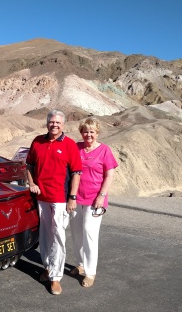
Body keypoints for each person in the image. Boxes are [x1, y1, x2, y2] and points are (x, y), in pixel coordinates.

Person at [26, 109, 82, 295]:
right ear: (47, 123)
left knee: (58, 235)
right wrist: (32, 183)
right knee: (45, 235)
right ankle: (48, 267)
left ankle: (56, 277)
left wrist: (72, 197)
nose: (54, 125)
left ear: (63, 125)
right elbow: (29, 165)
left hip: (60, 198)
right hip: (41, 197)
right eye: (51, 122)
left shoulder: (69, 145)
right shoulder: (37, 141)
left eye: (58, 122)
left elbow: (76, 173)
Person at [70, 117, 118, 288]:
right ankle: (81, 264)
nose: (88, 134)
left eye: (91, 131)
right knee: (76, 233)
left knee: (90, 234)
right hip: (76, 197)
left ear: (97, 133)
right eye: (85, 131)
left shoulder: (104, 150)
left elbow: (110, 175)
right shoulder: (76, 148)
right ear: (81, 132)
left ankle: (90, 272)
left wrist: (102, 195)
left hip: (95, 199)